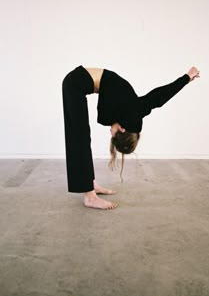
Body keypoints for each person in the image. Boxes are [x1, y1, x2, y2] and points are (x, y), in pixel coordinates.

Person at [62, 65, 200, 210]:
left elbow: (159, 98)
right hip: (75, 83)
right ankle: (89, 197)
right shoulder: (131, 111)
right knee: (79, 139)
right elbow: (161, 95)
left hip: (77, 81)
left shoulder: (135, 111)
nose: (111, 133)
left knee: (83, 137)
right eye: (114, 136)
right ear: (122, 129)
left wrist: (187, 78)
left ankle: (90, 184)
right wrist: (185, 78)